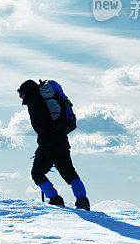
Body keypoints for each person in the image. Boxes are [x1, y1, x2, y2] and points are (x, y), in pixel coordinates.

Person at [17, 79, 90, 210]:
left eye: (21, 93)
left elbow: (41, 126)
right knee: (70, 173)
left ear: (27, 91)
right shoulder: (49, 99)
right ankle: (82, 199)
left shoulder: (35, 101)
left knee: (37, 173)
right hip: (62, 140)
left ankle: (55, 198)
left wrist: (43, 142)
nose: (21, 97)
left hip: (48, 143)